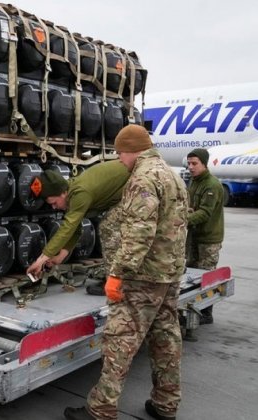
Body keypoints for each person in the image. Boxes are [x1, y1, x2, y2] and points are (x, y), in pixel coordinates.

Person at [64, 124, 188, 420]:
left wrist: (117, 273)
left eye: (120, 153)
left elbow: (139, 231)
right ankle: (165, 404)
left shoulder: (143, 178)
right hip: (169, 273)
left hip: (142, 277)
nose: (120, 160)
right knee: (166, 338)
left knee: (120, 340)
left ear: (132, 150)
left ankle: (101, 409)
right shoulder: (173, 174)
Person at [25, 160, 130, 296]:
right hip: (125, 192)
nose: (54, 207)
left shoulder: (80, 193)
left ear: (62, 193)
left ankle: (116, 282)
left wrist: (41, 260)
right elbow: (75, 228)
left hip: (137, 186)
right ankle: (117, 278)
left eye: (54, 202)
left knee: (109, 228)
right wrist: (59, 257)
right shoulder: (72, 193)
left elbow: (68, 228)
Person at [185, 148, 224, 329]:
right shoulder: (194, 182)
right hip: (194, 236)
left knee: (207, 276)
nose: (191, 167)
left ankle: (206, 313)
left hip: (208, 239)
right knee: (193, 275)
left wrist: (182, 219)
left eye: (195, 163)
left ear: (204, 163)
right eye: (189, 163)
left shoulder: (211, 185)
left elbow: (205, 213)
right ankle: (194, 310)